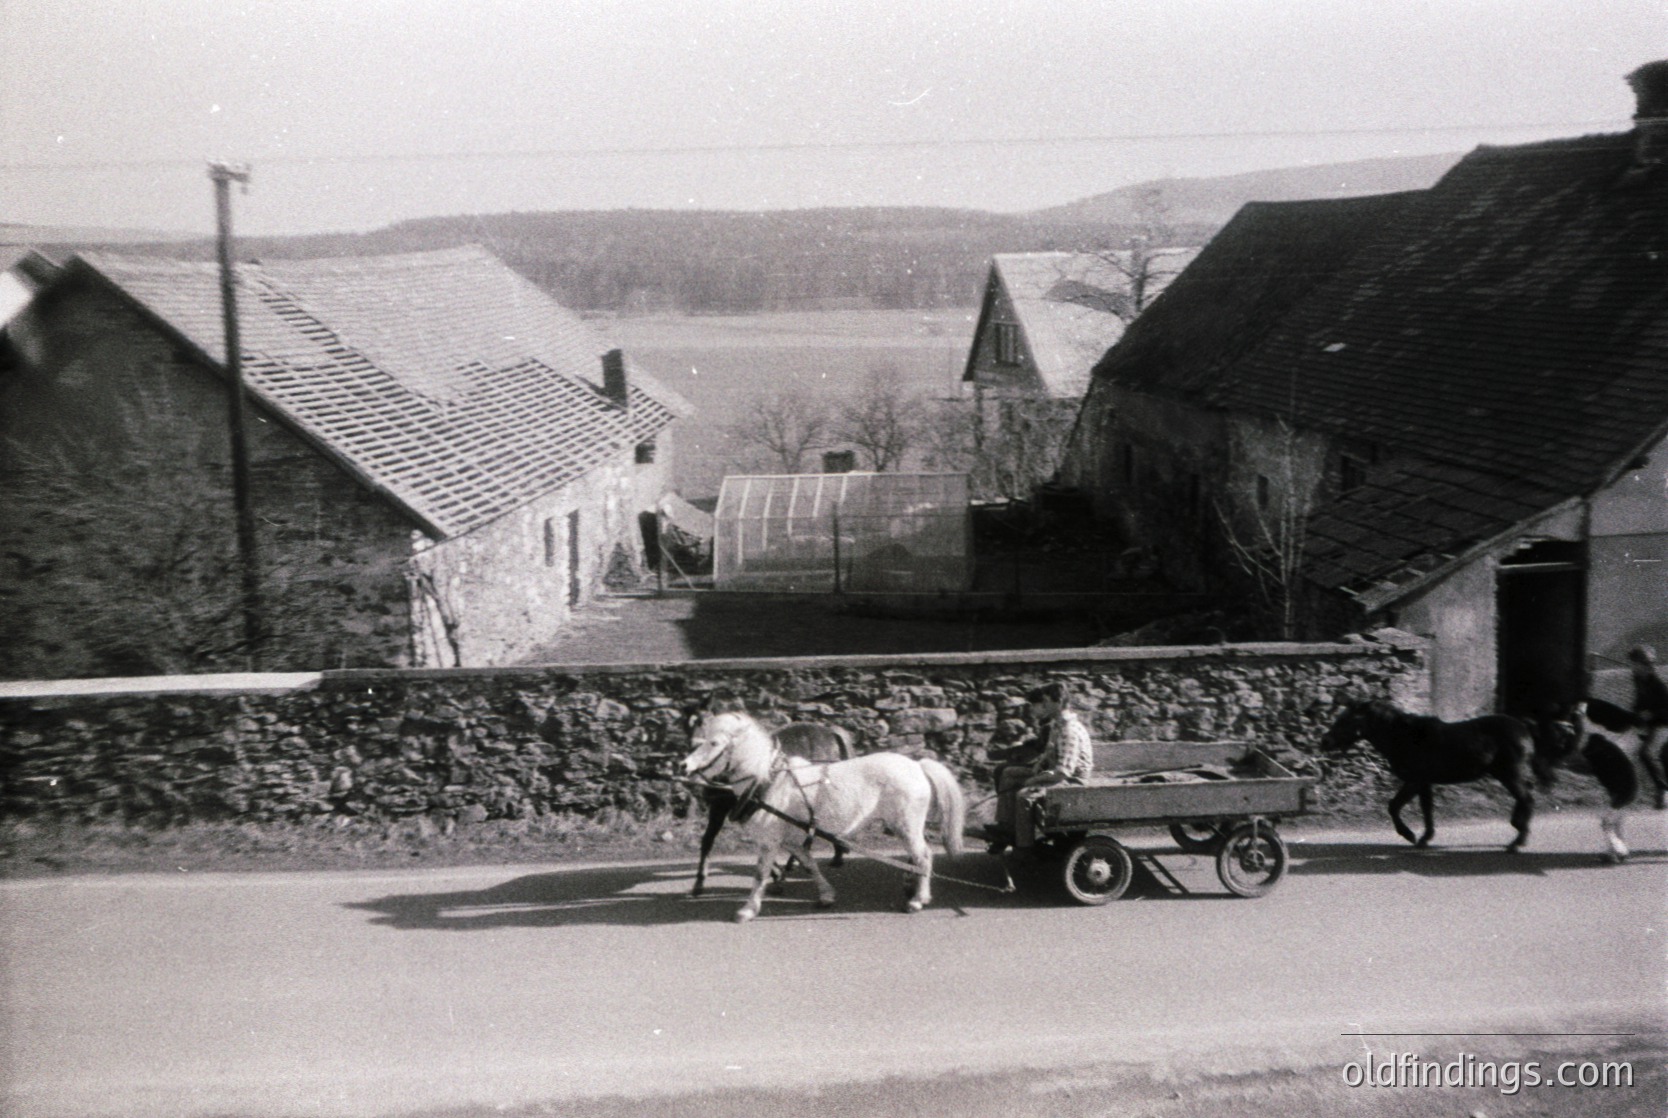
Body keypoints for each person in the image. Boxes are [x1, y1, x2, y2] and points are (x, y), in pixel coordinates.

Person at [991, 682, 1093, 849]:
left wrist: (1033, 780)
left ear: (1058, 702)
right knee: (1009, 773)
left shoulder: (1069, 730)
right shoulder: (1056, 725)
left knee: (1025, 795)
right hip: (1054, 773)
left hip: (1072, 781)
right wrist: (1038, 765)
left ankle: (1024, 844)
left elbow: (1063, 772)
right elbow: (1049, 752)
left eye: (1046, 701)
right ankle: (1006, 826)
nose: (1043, 705)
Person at [1628, 645, 1668, 809]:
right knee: (1649, 754)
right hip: (1653, 725)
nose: (1633, 667)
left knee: (1649, 753)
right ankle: (1662, 790)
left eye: (1637, 664)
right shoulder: (1638, 680)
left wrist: (1651, 714)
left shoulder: (1657, 685)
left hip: (1664, 723)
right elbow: (1639, 703)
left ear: (1646, 665)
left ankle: (1663, 790)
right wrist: (1635, 714)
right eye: (1633, 663)